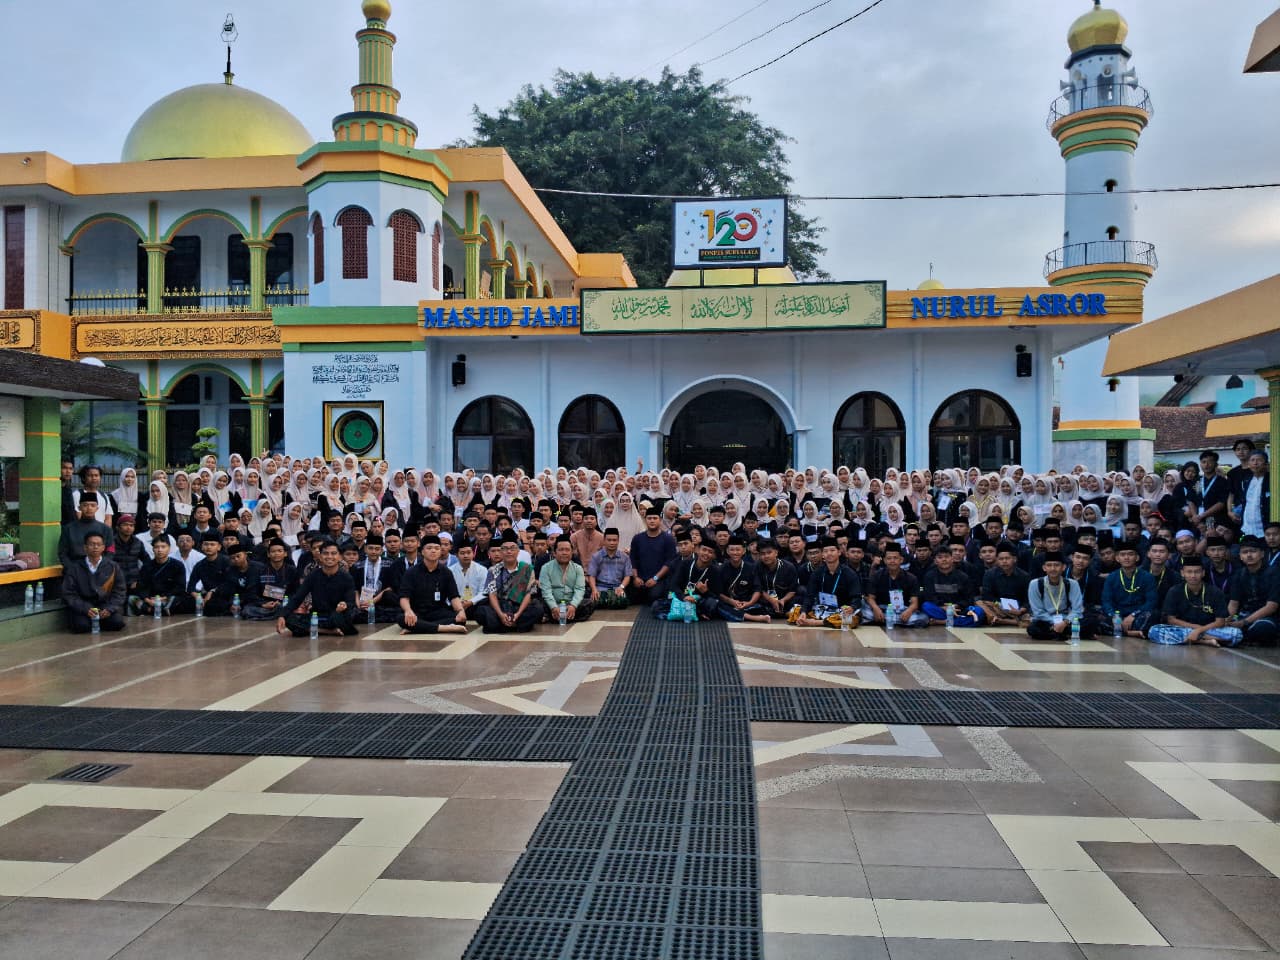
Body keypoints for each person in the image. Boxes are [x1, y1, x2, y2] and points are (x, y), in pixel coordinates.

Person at [276, 540, 358, 637]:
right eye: (325, 553)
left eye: (333, 553)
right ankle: (328, 631)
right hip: (317, 616)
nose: (329, 557)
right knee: (290, 619)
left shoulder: (346, 577)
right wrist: (282, 615)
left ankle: (314, 630)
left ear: (340, 557)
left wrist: (344, 605)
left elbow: (351, 601)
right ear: (320, 556)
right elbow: (297, 598)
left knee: (345, 617)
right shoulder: (313, 575)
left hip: (337, 615)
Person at [1150, 561, 1242, 647]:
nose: (1193, 575)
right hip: (1184, 628)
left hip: (1209, 628)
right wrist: (1195, 629)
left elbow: (1220, 622)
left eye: (1197, 572)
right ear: (1182, 573)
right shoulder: (1174, 591)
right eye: (1189, 572)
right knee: (1154, 631)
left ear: (1203, 573)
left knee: (1237, 634)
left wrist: (1199, 630)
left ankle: (1196, 639)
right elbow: (1171, 620)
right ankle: (1204, 641)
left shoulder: (1215, 592)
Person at [397, 534, 468, 634]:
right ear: (422, 551)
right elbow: (404, 597)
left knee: (460, 619)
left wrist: (461, 611)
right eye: (429, 548)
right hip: (417, 611)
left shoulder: (446, 572)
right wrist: (408, 611)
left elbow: (454, 596)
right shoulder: (411, 572)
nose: (433, 551)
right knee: (401, 618)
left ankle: (418, 627)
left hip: (438, 611)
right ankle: (445, 628)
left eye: (437, 548)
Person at [477, 532, 542, 633]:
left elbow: (528, 595)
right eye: (505, 549)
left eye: (512, 548)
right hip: (501, 606)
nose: (509, 551)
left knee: (538, 608)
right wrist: (501, 615)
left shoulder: (527, 568)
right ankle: (514, 625)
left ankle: (505, 625)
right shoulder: (493, 570)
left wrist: (517, 614)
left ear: (518, 551)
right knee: (481, 612)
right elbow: (492, 595)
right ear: (501, 551)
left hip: (518, 607)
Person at [62, 531, 126, 633]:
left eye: (98, 544)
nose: (95, 547)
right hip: (84, 608)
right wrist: (86, 608)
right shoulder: (75, 568)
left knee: (116, 623)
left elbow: (120, 592)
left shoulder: (113, 566)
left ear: (103, 547)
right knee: (81, 627)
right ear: (85, 547)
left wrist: (110, 608)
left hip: (105, 606)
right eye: (91, 544)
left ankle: (102, 620)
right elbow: (69, 594)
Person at [794, 537, 862, 627]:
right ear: (822, 554)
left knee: (851, 620)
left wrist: (852, 608)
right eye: (825, 551)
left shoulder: (850, 574)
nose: (829, 553)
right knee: (795, 612)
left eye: (832, 550)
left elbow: (856, 597)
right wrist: (804, 612)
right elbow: (809, 595)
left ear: (839, 552)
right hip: (822, 608)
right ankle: (821, 621)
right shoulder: (817, 573)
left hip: (841, 610)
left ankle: (817, 622)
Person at [1227, 535, 1280, 646]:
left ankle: (1240, 636)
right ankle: (1239, 635)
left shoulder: (1274, 573)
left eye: (1253, 551)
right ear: (1240, 556)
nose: (1249, 555)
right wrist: (1227, 620)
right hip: (1244, 615)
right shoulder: (1239, 574)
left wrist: (1244, 622)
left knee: (1263, 628)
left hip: (1267, 617)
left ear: (1262, 554)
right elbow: (1233, 603)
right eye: (1245, 552)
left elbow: (1271, 607)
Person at [1100, 541, 1158, 637]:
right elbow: (1106, 601)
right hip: (1117, 615)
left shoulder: (1147, 577)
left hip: (1138, 615)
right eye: (1122, 555)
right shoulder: (1112, 577)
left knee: (1154, 614)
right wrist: (1115, 616)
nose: (1126, 558)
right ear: (1117, 558)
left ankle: (1120, 631)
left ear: (1137, 558)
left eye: (1130, 554)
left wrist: (1133, 615)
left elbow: (1151, 601)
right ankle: (1130, 632)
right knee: (1097, 615)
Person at [1026, 551, 1088, 641]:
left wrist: (1065, 622)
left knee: (1090, 622)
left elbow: (1077, 609)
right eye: (1049, 565)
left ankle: (1055, 633)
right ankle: (1064, 633)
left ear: (1063, 567)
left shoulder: (1072, 584)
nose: (1053, 568)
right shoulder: (1035, 584)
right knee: (1033, 628)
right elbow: (1038, 612)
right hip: (1046, 621)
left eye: (1056, 565)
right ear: (1044, 568)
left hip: (1066, 620)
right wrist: (1055, 623)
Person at [863, 542, 928, 627]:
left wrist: (908, 611)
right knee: (864, 609)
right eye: (889, 558)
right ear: (885, 560)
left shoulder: (911, 578)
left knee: (924, 618)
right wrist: (876, 609)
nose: (892, 561)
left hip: (902, 610)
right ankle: (891, 620)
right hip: (882, 608)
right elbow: (871, 598)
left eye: (895, 558)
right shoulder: (877, 575)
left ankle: (885, 620)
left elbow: (914, 603)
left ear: (901, 560)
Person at [921, 543, 981, 626]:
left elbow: (969, 599)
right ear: (935, 561)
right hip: (941, 609)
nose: (944, 560)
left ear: (952, 559)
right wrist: (945, 608)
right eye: (940, 557)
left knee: (979, 612)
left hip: (959, 609)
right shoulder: (929, 576)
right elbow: (930, 597)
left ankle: (943, 622)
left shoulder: (963, 576)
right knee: (926, 606)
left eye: (947, 557)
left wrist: (955, 606)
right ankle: (960, 621)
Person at [627, 507, 677, 605]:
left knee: (654, 596)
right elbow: (633, 559)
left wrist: (655, 578)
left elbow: (669, 562)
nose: (652, 521)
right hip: (640, 579)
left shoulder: (668, 539)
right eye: (649, 518)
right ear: (645, 520)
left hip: (659, 579)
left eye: (655, 518)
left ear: (660, 520)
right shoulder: (637, 538)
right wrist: (636, 577)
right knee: (631, 597)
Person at [539, 536, 593, 623]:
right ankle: (562, 616)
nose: (564, 553)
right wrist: (553, 607)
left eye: (567, 550)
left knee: (589, 603)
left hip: (570, 603)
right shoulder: (546, 568)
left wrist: (573, 606)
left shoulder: (578, 568)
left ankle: (558, 617)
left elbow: (580, 589)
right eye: (561, 550)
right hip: (552, 603)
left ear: (572, 553)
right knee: (537, 605)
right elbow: (546, 590)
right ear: (554, 553)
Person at [744, 539, 799, 622]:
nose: (766, 556)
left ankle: (783, 612)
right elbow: (758, 589)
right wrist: (771, 600)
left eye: (769, 552)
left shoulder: (789, 567)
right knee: (750, 601)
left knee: (801, 595)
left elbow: (792, 590)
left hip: (785, 600)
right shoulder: (756, 566)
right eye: (762, 554)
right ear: (759, 555)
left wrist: (783, 600)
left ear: (776, 553)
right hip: (765, 600)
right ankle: (783, 614)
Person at [978, 542, 1031, 627]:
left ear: (1014, 559)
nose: (1004, 561)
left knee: (1032, 617)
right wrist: (1000, 605)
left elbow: (1027, 599)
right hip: (998, 607)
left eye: (1007, 558)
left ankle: (1002, 621)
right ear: (997, 560)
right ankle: (1012, 621)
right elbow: (987, 596)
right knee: (979, 603)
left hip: (1018, 609)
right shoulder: (990, 574)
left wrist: (1021, 610)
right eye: (1001, 559)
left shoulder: (1024, 576)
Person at [132, 536, 186, 616]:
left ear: (169, 548)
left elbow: (180, 587)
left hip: (167, 598)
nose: (160, 550)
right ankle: (159, 610)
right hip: (151, 598)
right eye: (156, 547)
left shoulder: (177, 565)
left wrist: (163, 598)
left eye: (163, 547)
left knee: (176, 599)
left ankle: (150, 610)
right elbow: (141, 586)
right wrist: (148, 600)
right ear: (153, 549)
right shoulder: (147, 566)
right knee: (132, 599)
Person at [712, 535, 759, 622]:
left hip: (746, 602)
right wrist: (732, 602)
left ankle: (739, 613)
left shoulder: (751, 568)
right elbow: (718, 593)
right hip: (728, 602)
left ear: (744, 551)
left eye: (738, 550)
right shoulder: (721, 569)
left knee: (760, 606)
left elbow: (757, 589)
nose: (735, 553)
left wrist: (749, 603)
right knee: (717, 606)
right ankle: (751, 617)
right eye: (732, 550)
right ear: (727, 551)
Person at [58, 493, 113, 567]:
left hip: (99, 570)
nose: (89, 508)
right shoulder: (68, 529)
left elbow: (110, 551)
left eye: (92, 505)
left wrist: (99, 567)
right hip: (74, 570)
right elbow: (62, 553)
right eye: (85, 505)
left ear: (97, 508)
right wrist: (72, 569)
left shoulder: (106, 529)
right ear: (79, 507)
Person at [353, 535, 398, 623]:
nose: (373, 552)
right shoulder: (357, 565)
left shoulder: (390, 564)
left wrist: (372, 601)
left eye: (377, 549)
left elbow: (391, 587)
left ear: (381, 550)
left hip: (381, 601)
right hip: (363, 601)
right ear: (365, 549)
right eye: (370, 548)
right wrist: (358, 604)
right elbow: (355, 588)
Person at [587, 527, 632, 609]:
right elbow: (591, 576)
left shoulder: (625, 557)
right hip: (600, 587)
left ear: (618, 541)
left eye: (614, 540)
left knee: (622, 602)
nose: (612, 543)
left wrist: (621, 587)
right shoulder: (596, 556)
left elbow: (627, 576)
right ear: (604, 540)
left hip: (617, 588)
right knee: (595, 601)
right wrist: (594, 589)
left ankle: (609, 600)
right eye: (609, 540)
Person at [224, 543, 271, 619]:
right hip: (244, 600)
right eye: (232, 558)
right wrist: (232, 604)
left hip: (260, 598)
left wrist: (263, 603)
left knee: (247, 610)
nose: (236, 559)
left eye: (238, 556)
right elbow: (231, 591)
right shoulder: (230, 571)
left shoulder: (259, 567)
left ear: (245, 555)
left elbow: (267, 588)